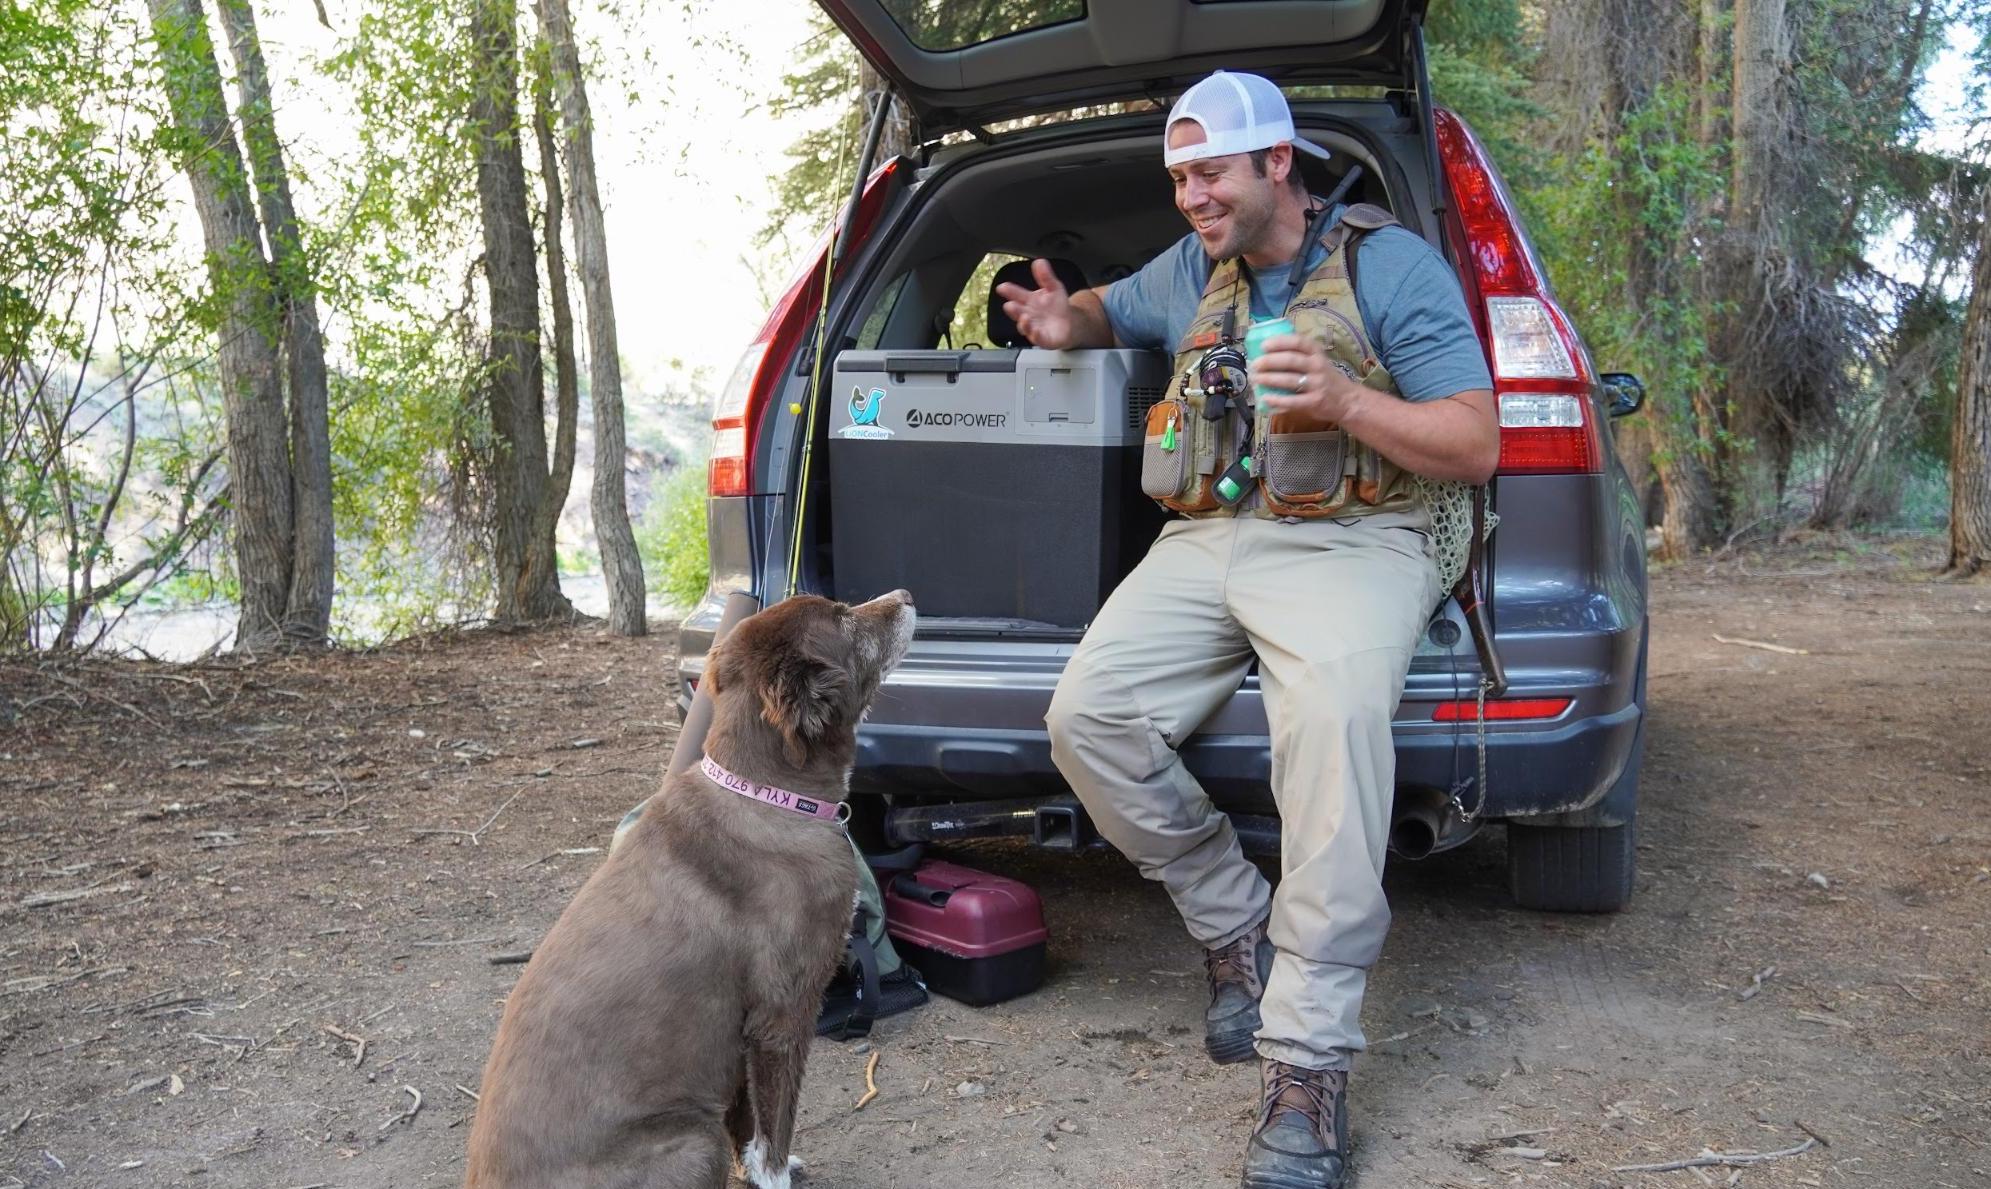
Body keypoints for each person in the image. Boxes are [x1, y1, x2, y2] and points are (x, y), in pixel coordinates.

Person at [996, 71, 1498, 1189]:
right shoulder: (1192, 269)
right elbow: (1106, 308)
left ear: (1277, 162)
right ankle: (1234, 921)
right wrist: (1064, 320)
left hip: (1357, 538)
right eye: (1178, 177)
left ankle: (1307, 1060)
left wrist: (1346, 400)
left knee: (1328, 724)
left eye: (1210, 172)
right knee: (1087, 716)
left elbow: (1474, 445)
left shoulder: (1388, 268)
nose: (1191, 196)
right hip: (1212, 535)